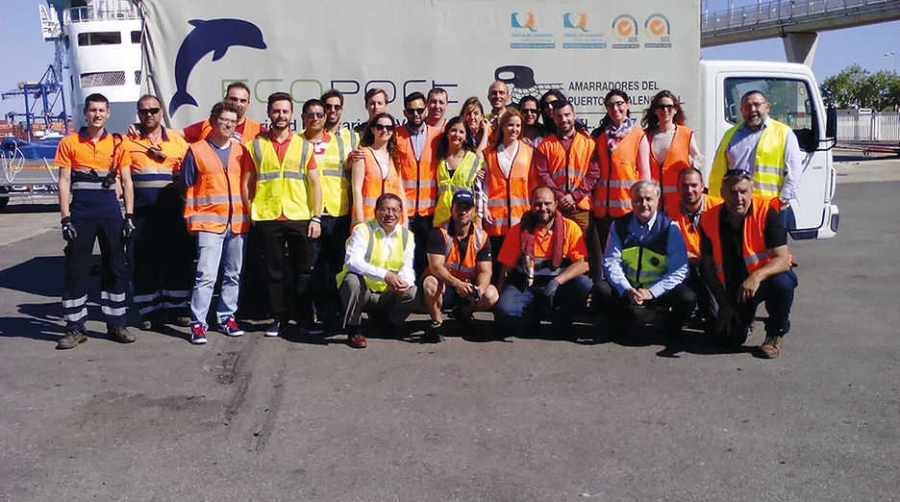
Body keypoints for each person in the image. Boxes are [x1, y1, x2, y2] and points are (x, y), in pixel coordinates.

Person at [54, 93, 135, 349]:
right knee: (76, 269)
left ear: (108, 113)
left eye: (101, 110)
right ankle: (75, 328)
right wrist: (65, 218)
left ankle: (116, 324)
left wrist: (129, 215)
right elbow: (64, 181)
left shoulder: (118, 144)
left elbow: (127, 181)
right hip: (81, 212)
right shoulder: (70, 143)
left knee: (115, 266)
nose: (97, 115)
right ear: (85, 114)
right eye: (92, 110)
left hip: (110, 211)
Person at [243, 93, 323, 338]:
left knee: (303, 271)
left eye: (285, 111)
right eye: (276, 111)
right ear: (269, 113)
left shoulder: (303, 146)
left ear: (292, 115)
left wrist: (316, 217)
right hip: (267, 216)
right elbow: (247, 183)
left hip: (298, 214)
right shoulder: (255, 145)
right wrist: (250, 213)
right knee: (273, 272)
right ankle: (278, 318)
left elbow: (315, 184)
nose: (281, 116)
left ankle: (304, 319)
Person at [699, 169, 798, 359]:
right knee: (727, 340)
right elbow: (708, 267)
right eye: (733, 192)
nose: (738, 198)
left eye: (743, 192)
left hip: (764, 280)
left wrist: (756, 277)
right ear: (722, 193)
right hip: (736, 288)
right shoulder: (708, 219)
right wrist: (724, 303)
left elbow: (783, 259)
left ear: (751, 192)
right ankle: (745, 319)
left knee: (783, 283)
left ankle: (775, 334)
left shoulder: (766, 211)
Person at [181, 101, 250, 345]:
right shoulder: (196, 150)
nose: (229, 124)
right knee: (206, 276)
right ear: (213, 121)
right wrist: (191, 219)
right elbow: (187, 187)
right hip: (208, 224)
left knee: (233, 274)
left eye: (233, 121)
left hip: (238, 223)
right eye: (224, 120)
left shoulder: (242, 151)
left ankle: (227, 317)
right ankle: (198, 323)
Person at [593, 180, 696, 340]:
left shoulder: (670, 228)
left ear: (657, 201)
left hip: (658, 289)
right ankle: (617, 325)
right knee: (601, 289)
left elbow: (679, 270)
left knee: (687, 298)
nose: (643, 204)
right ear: (631, 201)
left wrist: (652, 292)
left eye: (648, 199)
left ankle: (671, 328)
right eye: (638, 199)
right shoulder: (619, 225)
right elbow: (610, 262)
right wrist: (626, 289)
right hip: (629, 289)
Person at [125, 95, 193, 330]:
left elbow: (188, 174)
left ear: (161, 111)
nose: (149, 115)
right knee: (144, 262)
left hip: (171, 211)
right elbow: (118, 176)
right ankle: (149, 310)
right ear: (138, 114)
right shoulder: (128, 142)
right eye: (143, 111)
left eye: (153, 110)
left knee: (177, 259)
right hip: (142, 213)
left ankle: (178, 308)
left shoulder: (177, 142)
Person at [495, 186, 592, 338]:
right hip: (526, 284)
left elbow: (583, 264)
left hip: (557, 285)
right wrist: (498, 297)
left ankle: (562, 318)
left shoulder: (570, 227)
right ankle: (531, 316)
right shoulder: (518, 230)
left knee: (584, 284)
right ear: (531, 204)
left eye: (547, 203)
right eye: (538, 204)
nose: (543, 208)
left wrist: (557, 281)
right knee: (506, 311)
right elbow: (506, 267)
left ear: (555, 204)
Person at [709, 90, 802, 228]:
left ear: (767, 107)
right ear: (741, 110)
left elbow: (794, 172)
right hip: (737, 208)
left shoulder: (784, 133)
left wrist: (783, 200)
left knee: (772, 249)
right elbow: (718, 173)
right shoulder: (730, 135)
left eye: (757, 105)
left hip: (770, 208)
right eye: (747, 106)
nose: (752, 110)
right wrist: (716, 203)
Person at [336, 193, 417, 349]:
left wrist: (405, 283)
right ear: (375, 212)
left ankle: (389, 324)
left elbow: (407, 268)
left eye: (394, 210)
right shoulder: (363, 230)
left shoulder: (407, 236)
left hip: (386, 292)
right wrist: (385, 275)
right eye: (384, 210)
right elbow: (353, 261)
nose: (390, 214)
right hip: (364, 291)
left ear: (400, 213)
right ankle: (354, 329)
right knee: (351, 280)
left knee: (411, 291)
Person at [590, 89, 651, 281]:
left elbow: (645, 173)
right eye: (610, 105)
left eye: (619, 103)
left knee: (627, 257)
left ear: (627, 104)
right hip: (603, 209)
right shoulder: (599, 135)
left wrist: (645, 205)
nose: (615, 108)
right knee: (607, 256)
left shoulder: (638, 135)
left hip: (626, 208)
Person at [422, 190, 498, 342]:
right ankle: (437, 323)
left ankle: (464, 313)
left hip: (468, 288)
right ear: (452, 209)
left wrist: (480, 289)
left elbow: (485, 271)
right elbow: (436, 267)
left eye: (467, 207)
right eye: (459, 207)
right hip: (445, 287)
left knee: (491, 294)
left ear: (474, 211)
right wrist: (457, 284)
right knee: (430, 283)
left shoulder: (481, 237)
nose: (463, 211)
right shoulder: (439, 233)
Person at [311, 90, 356, 330]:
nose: (332, 111)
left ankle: (339, 310)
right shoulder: (307, 137)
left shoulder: (351, 138)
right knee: (316, 265)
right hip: (315, 211)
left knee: (339, 264)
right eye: (327, 107)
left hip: (340, 208)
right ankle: (321, 312)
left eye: (336, 107)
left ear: (342, 110)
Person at [534, 100, 600, 232]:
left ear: (574, 115)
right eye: (559, 116)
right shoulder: (545, 146)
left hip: (581, 208)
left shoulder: (589, 143)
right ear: (553, 117)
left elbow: (593, 174)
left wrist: (574, 196)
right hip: (556, 208)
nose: (564, 119)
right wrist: (559, 197)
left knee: (581, 250)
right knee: (556, 248)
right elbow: (542, 175)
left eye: (567, 115)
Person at [396, 91, 441, 279]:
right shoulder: (396, 135)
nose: (416, 114)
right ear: (405, 112)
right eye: (411, 111)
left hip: (428, 210)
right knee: (404, 257)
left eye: (419, 110)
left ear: (425, 111)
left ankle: (424, 297)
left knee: (425, 258)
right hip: (403, 210)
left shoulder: (438, 136)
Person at [671, 167, 722, 327]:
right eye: (685, 186)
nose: (689, 190)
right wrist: (699, 260)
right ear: (678, 188)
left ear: (702, 186)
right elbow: (671, 250)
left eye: (694, 185)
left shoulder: (720, 208)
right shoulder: (670, 213)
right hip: (688, 267)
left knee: (719, 319)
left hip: (717, 267)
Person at [482, 108, 535, 257]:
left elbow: (533, 184)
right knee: (497, 259)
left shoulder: (529, 151)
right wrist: (484, 208)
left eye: (518, 126)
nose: (514, 129)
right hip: (496, 219)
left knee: (519, 260)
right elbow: (484, 184)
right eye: (511, 125)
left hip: (521, 217)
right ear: (503, 126)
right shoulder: (489, 153)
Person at [642, 90, 703, 216]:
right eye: (661, 107)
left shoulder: (686, 134)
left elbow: (696, 164)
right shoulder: (645, 136)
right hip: (652, 203)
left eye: (670, 107)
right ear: (655, 111)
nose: (665, 110)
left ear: (675, 110)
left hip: (679, 204)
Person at [350, 112, 406, 225]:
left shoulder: (395, 157)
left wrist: (405, 220)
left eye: (389, 127)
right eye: (380, 127)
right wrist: (359, 219)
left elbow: (400, 191)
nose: (384, 130)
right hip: (368, 218)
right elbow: (356, 189)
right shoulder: (362, 154)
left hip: (391, 220)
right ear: (373, 130)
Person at [432, 116, 485, 227]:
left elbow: (479, 192)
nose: (457, 135)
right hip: (442, 219)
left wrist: (479, 218)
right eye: (453, 130)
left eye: (461, 132)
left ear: (466, 136)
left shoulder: (474, 160)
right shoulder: (439, 160)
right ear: (447, 133)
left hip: (465, 221)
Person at [183, 82, 264, 144]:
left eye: (242, 101)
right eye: (233, 99)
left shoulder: (258, 130)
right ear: (225, 99)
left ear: (248, 104)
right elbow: (176, 135)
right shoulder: (207, 125)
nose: (238, 104)